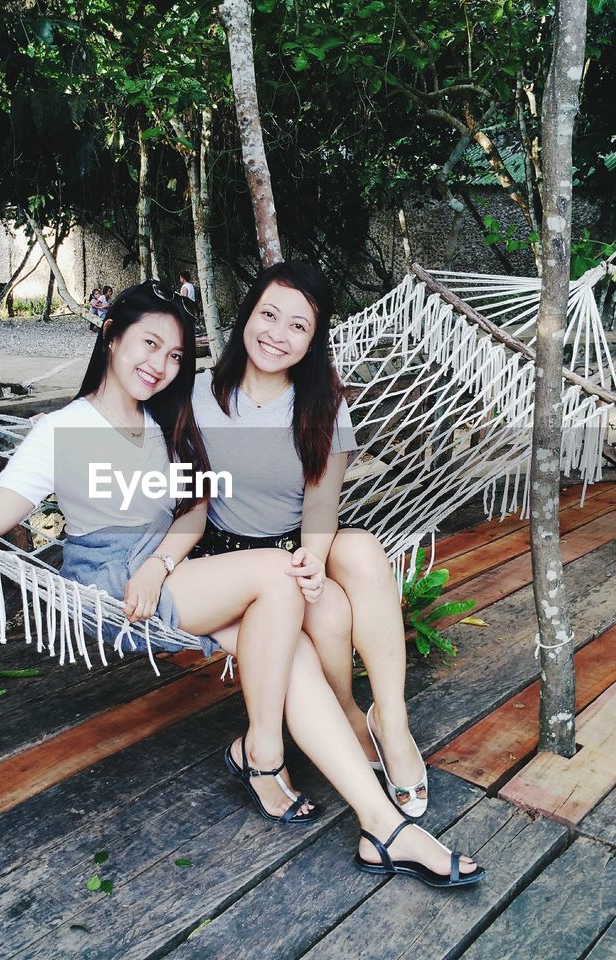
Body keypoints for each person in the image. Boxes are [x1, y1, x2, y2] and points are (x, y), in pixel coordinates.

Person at [0, 279, 481, 887]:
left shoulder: (167, 421)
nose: (161, 364)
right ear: (111, 337)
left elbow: (194, 510)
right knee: (277, 579)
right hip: (106, 588)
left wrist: (161, 564)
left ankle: (377, 824)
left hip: (169, 571)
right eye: (148, 344)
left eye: (176, 354)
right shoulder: (61, 432)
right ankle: (266, 753)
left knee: (294, 655)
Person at [190, 261, 432, 822]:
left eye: (298, 325)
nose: (277, 334)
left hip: (296, 545)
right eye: (268, 314)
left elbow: (323, 506)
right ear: (246, 315)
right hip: (227, 556)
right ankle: (350, 716)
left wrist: (314, 562)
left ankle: (391, 723)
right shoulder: (200, 394)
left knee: (362, 551)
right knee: (328, 617)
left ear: (314, 339)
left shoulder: (323, 404)